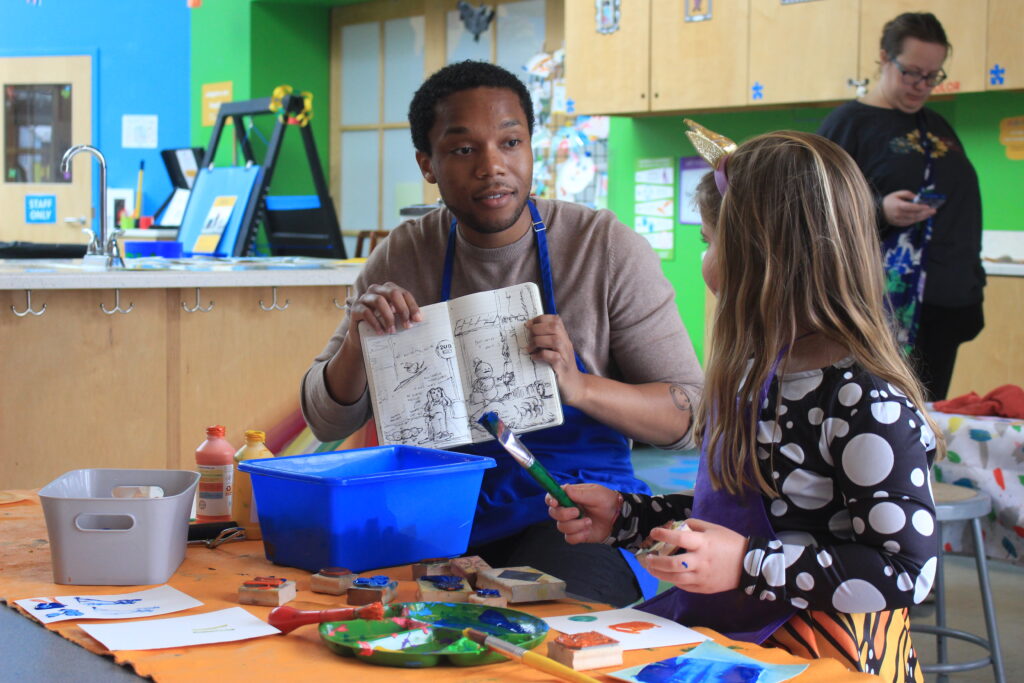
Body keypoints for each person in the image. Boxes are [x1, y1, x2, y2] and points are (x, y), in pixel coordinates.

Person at [300, 60, 703, 606]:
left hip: (574, 514)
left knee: (543, 631)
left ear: (531, 147)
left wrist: (580, 386)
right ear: (428, 164)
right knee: (354, 619)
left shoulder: (602, 248)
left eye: (510, 142)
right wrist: (357, 340)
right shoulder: (403, 254)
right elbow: (327, 416)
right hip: (436, 518)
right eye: (464, 150)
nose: (493, 166)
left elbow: (689, 417)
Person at [548, 129, 941, 682]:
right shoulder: (755, 379)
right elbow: (740, 516)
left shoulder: (866, 404)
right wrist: (630, 516)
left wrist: (747, 564)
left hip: (820, 655)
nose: (706, 262)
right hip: (725, 633)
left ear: (766, 258)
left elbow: (907, 570)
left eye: (709, 241)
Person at [818, 12, 984, 400]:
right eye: (912, 72)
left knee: (926, 417)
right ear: (884, 58)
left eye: (933, 75)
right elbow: (816, 206)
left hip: (944, 305)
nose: (922, 86)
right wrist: (880, 211)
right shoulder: (848, 124)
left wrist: (973, 285)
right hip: (879, 307)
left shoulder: (937, 124)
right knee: (884, 416)